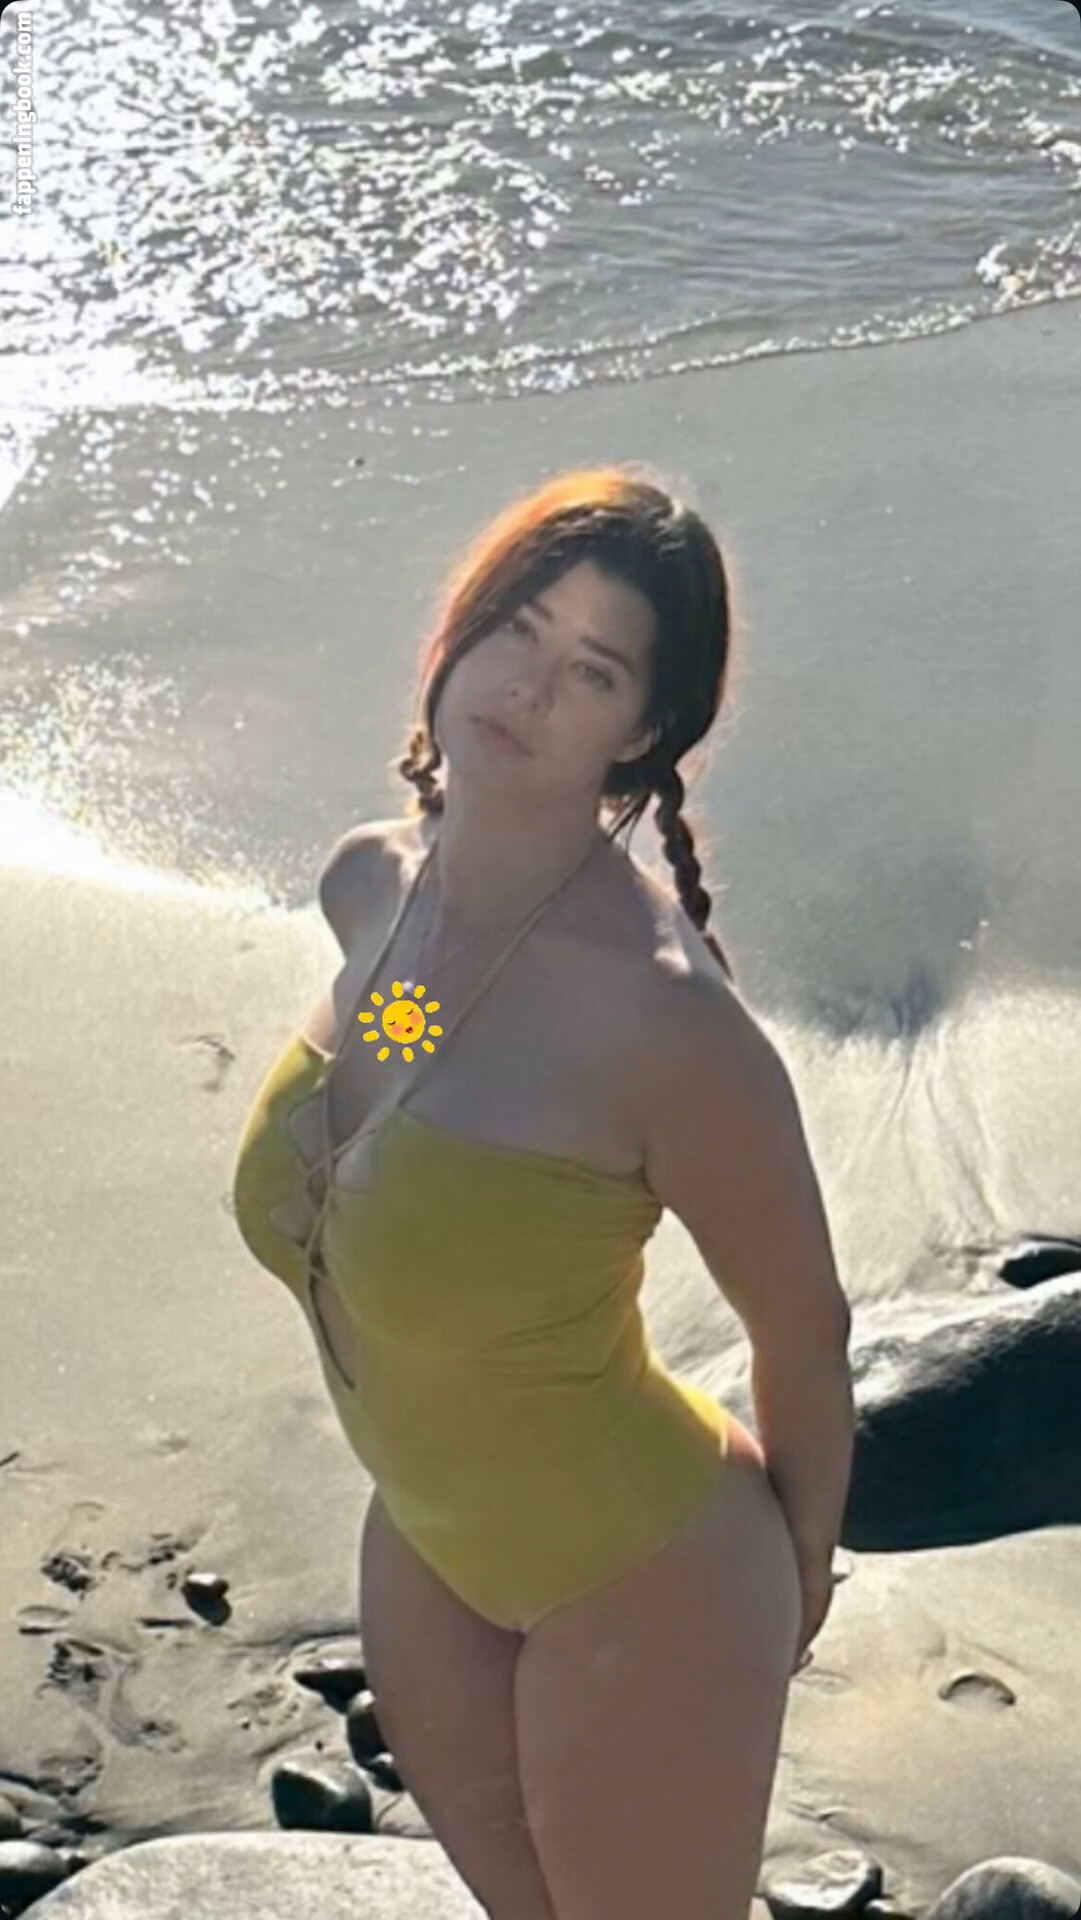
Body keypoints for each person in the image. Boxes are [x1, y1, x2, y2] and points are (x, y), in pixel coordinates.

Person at [231, 463, 854, 1920]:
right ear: (463, 623)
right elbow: (401, 1091)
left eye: (592, 670)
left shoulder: (664, 1026)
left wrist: (794, 1583)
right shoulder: (381, 896)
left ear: (638, 732)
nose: (527, 685)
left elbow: (803, 1327)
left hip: (645, 1578)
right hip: (428, 1543)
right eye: (519, 625)